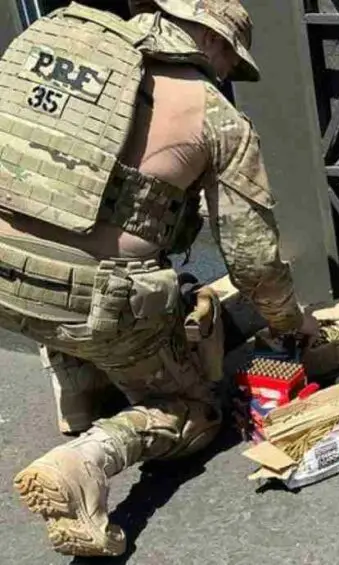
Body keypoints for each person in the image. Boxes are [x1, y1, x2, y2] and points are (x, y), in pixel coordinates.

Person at [1, 0, 319, 557]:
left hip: (6, 282)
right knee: (196, 412)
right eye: (230, 59)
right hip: (96, 303)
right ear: (211, 39)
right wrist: (291, 324)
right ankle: (83, 463)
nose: (227, 72)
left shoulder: (61, 45)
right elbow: (252, 261)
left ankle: (80, 392)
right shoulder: (215, 115)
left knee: (58, 245)